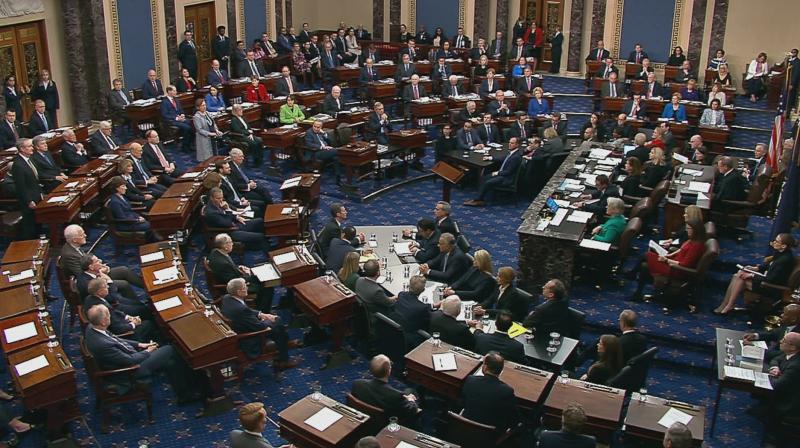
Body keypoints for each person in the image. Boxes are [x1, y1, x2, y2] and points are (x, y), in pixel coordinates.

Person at [84, 304, 206, 405]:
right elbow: (130, 360)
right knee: (171, 349)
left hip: (129, 357)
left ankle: (186, 393)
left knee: (171, 362)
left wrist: (140, 345)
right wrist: (148, 351)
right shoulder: (103, 344)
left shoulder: (92, 327)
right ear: (104, 321)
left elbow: (116, 339)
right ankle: (195, 381)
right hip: (131, 371)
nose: (111, 317)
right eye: (109, 316)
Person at [630, 219, 707, 310]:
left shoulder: (696, 246)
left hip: (677, 270)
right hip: (672, 263)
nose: (687, 230)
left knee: (647, 255)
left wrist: (666, 260)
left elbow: (685, 264)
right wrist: (669, 256)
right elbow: (681, 250)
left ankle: (632, 275)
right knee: (644, 266)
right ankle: (637, 293)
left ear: (696, 230)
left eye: (689, 228)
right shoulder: (692, 240)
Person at [221, 278, 297, 369]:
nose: (247, 287)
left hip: (241, 327)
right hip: (248, 338)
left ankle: (284, 343)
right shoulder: (241, 310)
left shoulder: (227, 298)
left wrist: (261, 314)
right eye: (245, 286)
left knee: (277, 326)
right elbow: (260, 327)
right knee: (278, 322)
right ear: (239, 291)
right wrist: (270, 320)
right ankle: (284, 359)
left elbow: (248, 311)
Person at [715, 233, 796, 315]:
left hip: (771, 287)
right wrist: (755, 268)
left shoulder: (785, 260)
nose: (774, 242)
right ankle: (725, 304)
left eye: (777, 241)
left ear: (783, 246)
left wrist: (751, 275)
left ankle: (729, 305)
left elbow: (771, 279)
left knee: (740, 278)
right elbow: (769, 266)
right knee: (738, 274)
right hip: (766, 279)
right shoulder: (780, 253)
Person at [61, 224, 145, 289]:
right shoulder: (69, 255)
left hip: (95, 272)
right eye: (82, 235)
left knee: (123, 270)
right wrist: (101, 271)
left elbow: (87, 262)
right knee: (124, 284)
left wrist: (99, 267)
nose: (85, 236)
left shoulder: (74, 246)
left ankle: (146, 286)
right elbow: (82, 274)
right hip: (90, 283)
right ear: (74, 240)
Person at [83, 277, 156, 342]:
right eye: (105, 287)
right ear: (99, 292)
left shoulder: (89, 298)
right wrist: (133, 324)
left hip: (117, 321)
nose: (108, 287)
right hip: (125, 336)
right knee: (148, 324)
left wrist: (127, 317)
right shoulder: (103, 308)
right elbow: (117, 329)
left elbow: (114, 311)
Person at [351, 355, 420, 423]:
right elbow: (412, 410)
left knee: (407, 393)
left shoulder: (357, 384)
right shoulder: (395, 396)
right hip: (387, 422)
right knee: (410, 391)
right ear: (389, 371)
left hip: (366, 420)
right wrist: (410, 400)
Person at [461, 352, 518, 433]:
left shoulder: (471, 380)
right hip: (488, 436)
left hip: (463, 429)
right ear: (501, 370)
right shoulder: (506, 391)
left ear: (485, 367)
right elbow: (514, 419)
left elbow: (462, 402)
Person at [463, 136, 523, 207]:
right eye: (509, 142)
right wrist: (490, 157)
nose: (509, 144)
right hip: (503, 174)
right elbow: (503, 158)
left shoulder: (516, 157)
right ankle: (479, 199)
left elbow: (508, 172)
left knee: (488, 182)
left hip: (507, 178)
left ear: (517, 145)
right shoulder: (513, 152)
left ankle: (478, 200)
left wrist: (497, 173)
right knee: (484, 177)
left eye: (512, 143)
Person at [203, 188, 269, 250]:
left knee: (260, 221)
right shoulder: (211, 213)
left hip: (234, 224)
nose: (221, 200)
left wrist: (236, 217)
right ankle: (268, 250)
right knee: (260, 236)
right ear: (211, 198)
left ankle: (267, 240)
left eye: (221, 197)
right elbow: (228, 223)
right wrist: (227, 209)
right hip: (229, 231)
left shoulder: (217, 204)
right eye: (218, 198)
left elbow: (228, 216)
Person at [10, 138, 42, 238]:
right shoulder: (18, 165)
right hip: (29, 200)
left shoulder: (30, 159)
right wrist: (29, 201)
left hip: (37, 195)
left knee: (38, 222)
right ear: (22, 149)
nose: (32, 148)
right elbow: (21, 187)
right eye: (29, 146)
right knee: (31, 225)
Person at [390, 275, 431, 347]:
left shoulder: (401, 294)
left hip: (393, 331)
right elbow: (427, 324)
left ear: (409, 286)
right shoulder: (422, 308)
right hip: (409, 338)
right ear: (423, 290)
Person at [160, 85, 193, 152]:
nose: (176, 92)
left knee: (192, 123)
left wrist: (182, 114)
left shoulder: (176, 99)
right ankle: (184, 146)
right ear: (169, 91)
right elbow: (165, 115)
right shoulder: (164, 102)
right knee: (187, 128)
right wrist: (177, 118)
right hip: (171, 121)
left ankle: (189, 144)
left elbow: (180, 109)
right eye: (174, 90)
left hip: (180, 118)